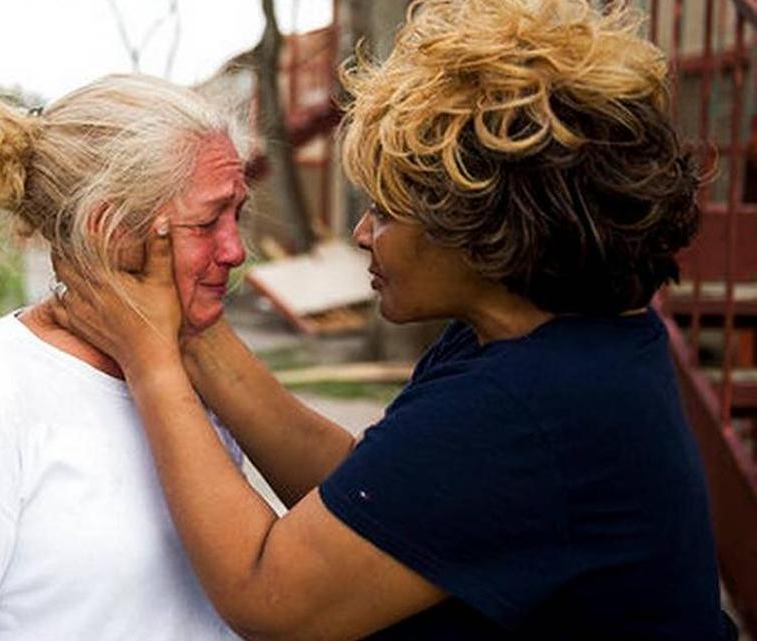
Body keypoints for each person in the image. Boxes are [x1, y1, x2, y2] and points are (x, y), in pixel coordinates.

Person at [50, 1, 740, 639]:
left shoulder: (533, 407)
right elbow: (371, 491)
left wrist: (152, 360)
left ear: (476, 225)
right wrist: (192, 331)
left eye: (384, 208)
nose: (361, 232)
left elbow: (269, 596)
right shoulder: (541, 343)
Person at [0, 74, 250, 641]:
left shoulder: (199, 376)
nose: (236, 250)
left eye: (240, 213)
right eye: (209, 221)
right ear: (108, 227)